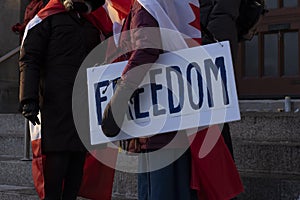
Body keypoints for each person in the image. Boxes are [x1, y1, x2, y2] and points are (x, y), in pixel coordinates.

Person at [102, 0, 244, 199]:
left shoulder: (145, 5)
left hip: (158, 126)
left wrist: (118, 101)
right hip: (178, 120)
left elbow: (146, 49)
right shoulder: (170, 5)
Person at [19, 0, 106, 199]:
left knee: (76, 163)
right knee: (57, 161)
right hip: (55, 103)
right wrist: (28, 99)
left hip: (84, 103)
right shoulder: (46, 18)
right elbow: (29, 58)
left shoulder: (91, 21)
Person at [199, 0, 241, 157]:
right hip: (208, 38)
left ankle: (223, 174)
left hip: (211, 43)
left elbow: (223, 14)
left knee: (214, 117)